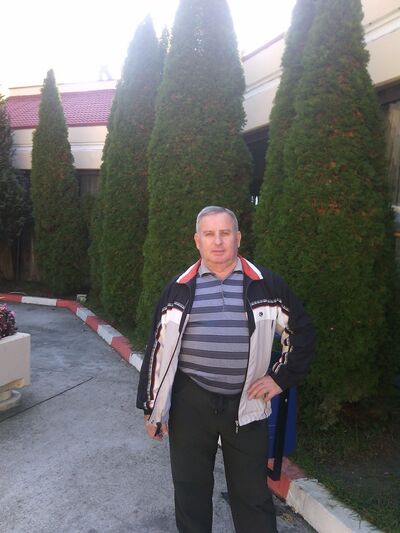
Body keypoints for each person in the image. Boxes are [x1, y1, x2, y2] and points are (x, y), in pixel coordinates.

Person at [137, 205, 315, 533]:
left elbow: (301, 331)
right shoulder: (178, 288)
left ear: (238, 238)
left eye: (225, 233)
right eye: (209, 234)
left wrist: (279, 378)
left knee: (252, 496)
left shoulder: (266, 285)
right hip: (191, 402)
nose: (217, 241)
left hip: (247, 403)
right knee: (190, 492)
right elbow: (157, 350)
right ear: (197, 241)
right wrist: (153, 409)